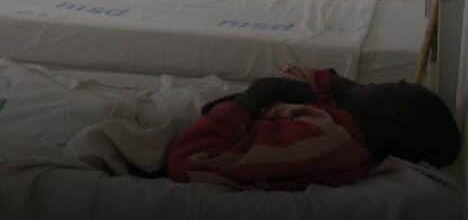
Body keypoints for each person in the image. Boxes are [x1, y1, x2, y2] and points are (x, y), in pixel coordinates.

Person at [169, 66, 460, 190]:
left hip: (175, 141)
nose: (373, 83)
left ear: (390, 120)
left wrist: (253, 98)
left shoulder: (324, 141)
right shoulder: (347, 129)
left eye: (389, 89)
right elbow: (317, 84)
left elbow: (189, 161)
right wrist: (345, 89)